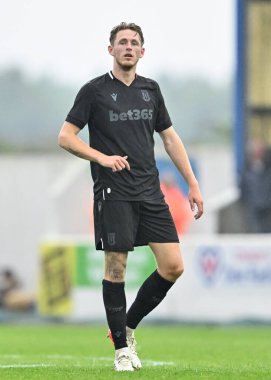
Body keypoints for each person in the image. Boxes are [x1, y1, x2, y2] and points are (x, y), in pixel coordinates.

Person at [58, 22, 203, 371]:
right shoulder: (93, 91)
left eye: (134, 42)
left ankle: (127, 327)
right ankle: (122, 351)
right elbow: (66, 136)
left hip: (150, 191)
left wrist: (193, 184)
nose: (128, 47)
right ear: (110, 50)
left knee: (173, 266)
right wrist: (102, 157)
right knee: (116, 266)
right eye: (122, 42)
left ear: (142, 51)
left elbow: (170, 139)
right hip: (114, 191)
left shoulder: (150, 90)